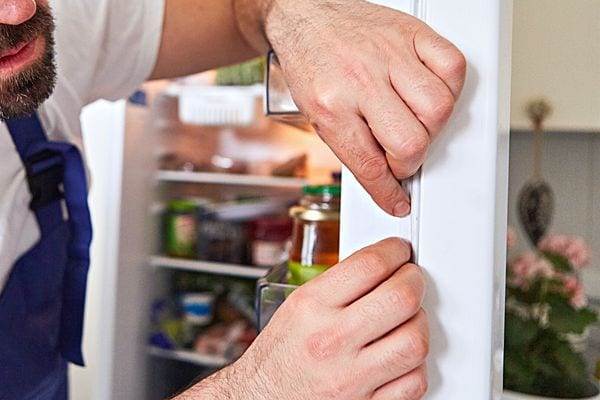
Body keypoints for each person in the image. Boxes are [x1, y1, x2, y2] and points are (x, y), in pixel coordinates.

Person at [0, 0, 466, 399]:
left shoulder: (56, 20)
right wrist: (261, 387)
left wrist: (297, 17)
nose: (21, 10)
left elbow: (237, 10)